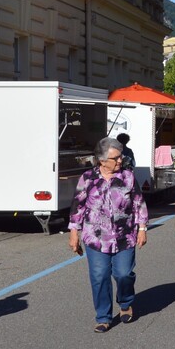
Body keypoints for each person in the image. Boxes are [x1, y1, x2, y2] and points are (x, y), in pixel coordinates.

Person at [68, 137, 150, 332]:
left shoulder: (128, 177)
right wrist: (74, 233)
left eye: (120, 157)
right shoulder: (87, 178)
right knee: (99, 275)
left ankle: (125, 302)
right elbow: (77, 206)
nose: (120, 161)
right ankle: (103, 316)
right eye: (116, 158)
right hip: (95, 238)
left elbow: (138, 203)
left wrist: (142, 228)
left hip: (124, 236)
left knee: (124, 274)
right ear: (101, 160)